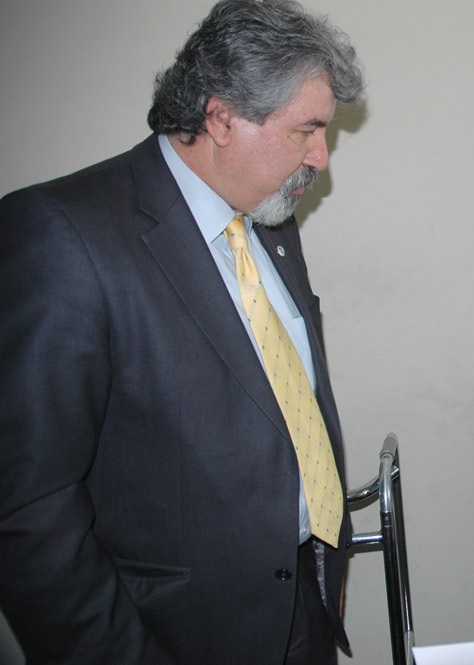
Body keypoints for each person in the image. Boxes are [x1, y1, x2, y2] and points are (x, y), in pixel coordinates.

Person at [0, 1, 363, 663]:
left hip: (299, 609)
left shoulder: (270, 221)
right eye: (306, 131)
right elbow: (28, 508)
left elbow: (284, 404)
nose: (320, 157)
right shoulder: (63, 234)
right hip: (169, 635)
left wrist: (320, 573)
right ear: (221, 118)